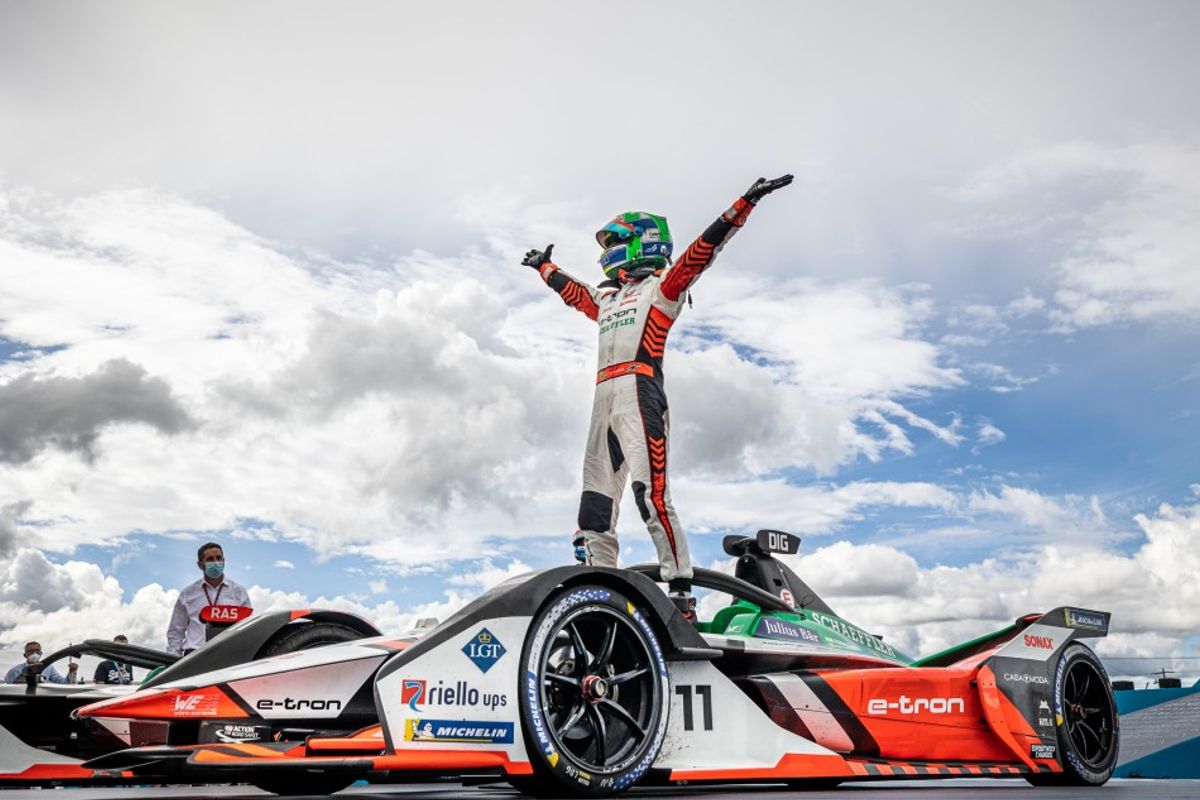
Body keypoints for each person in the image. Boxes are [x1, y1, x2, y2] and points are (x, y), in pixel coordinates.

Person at [523, 175, 793, 619]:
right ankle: (599, 587)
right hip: (603, 400)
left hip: (640, 393)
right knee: (594, 504)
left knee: (652, 496)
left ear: (641, 243)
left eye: (616, 241)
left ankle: (681, 590)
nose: (608, 249)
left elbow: (699, 254)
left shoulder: (662, 289)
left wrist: (743, 204)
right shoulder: (607, 299)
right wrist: (545, 268)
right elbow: (575, 294)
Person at [166, 542, 251, 656]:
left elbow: (248, 627)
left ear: (224, 561)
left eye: (219, 558)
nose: (216, 562)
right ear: (200, 565)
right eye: (210, 559)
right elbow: (176, 631)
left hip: (229, 653)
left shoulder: (239, 592)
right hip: (195, 654)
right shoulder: (187, 594)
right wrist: (173, 659)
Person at [4, 640, 78, 683]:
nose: (34, 653)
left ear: (41, 653)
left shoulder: (48, 668)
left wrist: (72, 672)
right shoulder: (15, 670)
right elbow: (7, 687)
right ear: (25, 655)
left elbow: (63, 682)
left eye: (37, 650)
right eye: (30, 651)